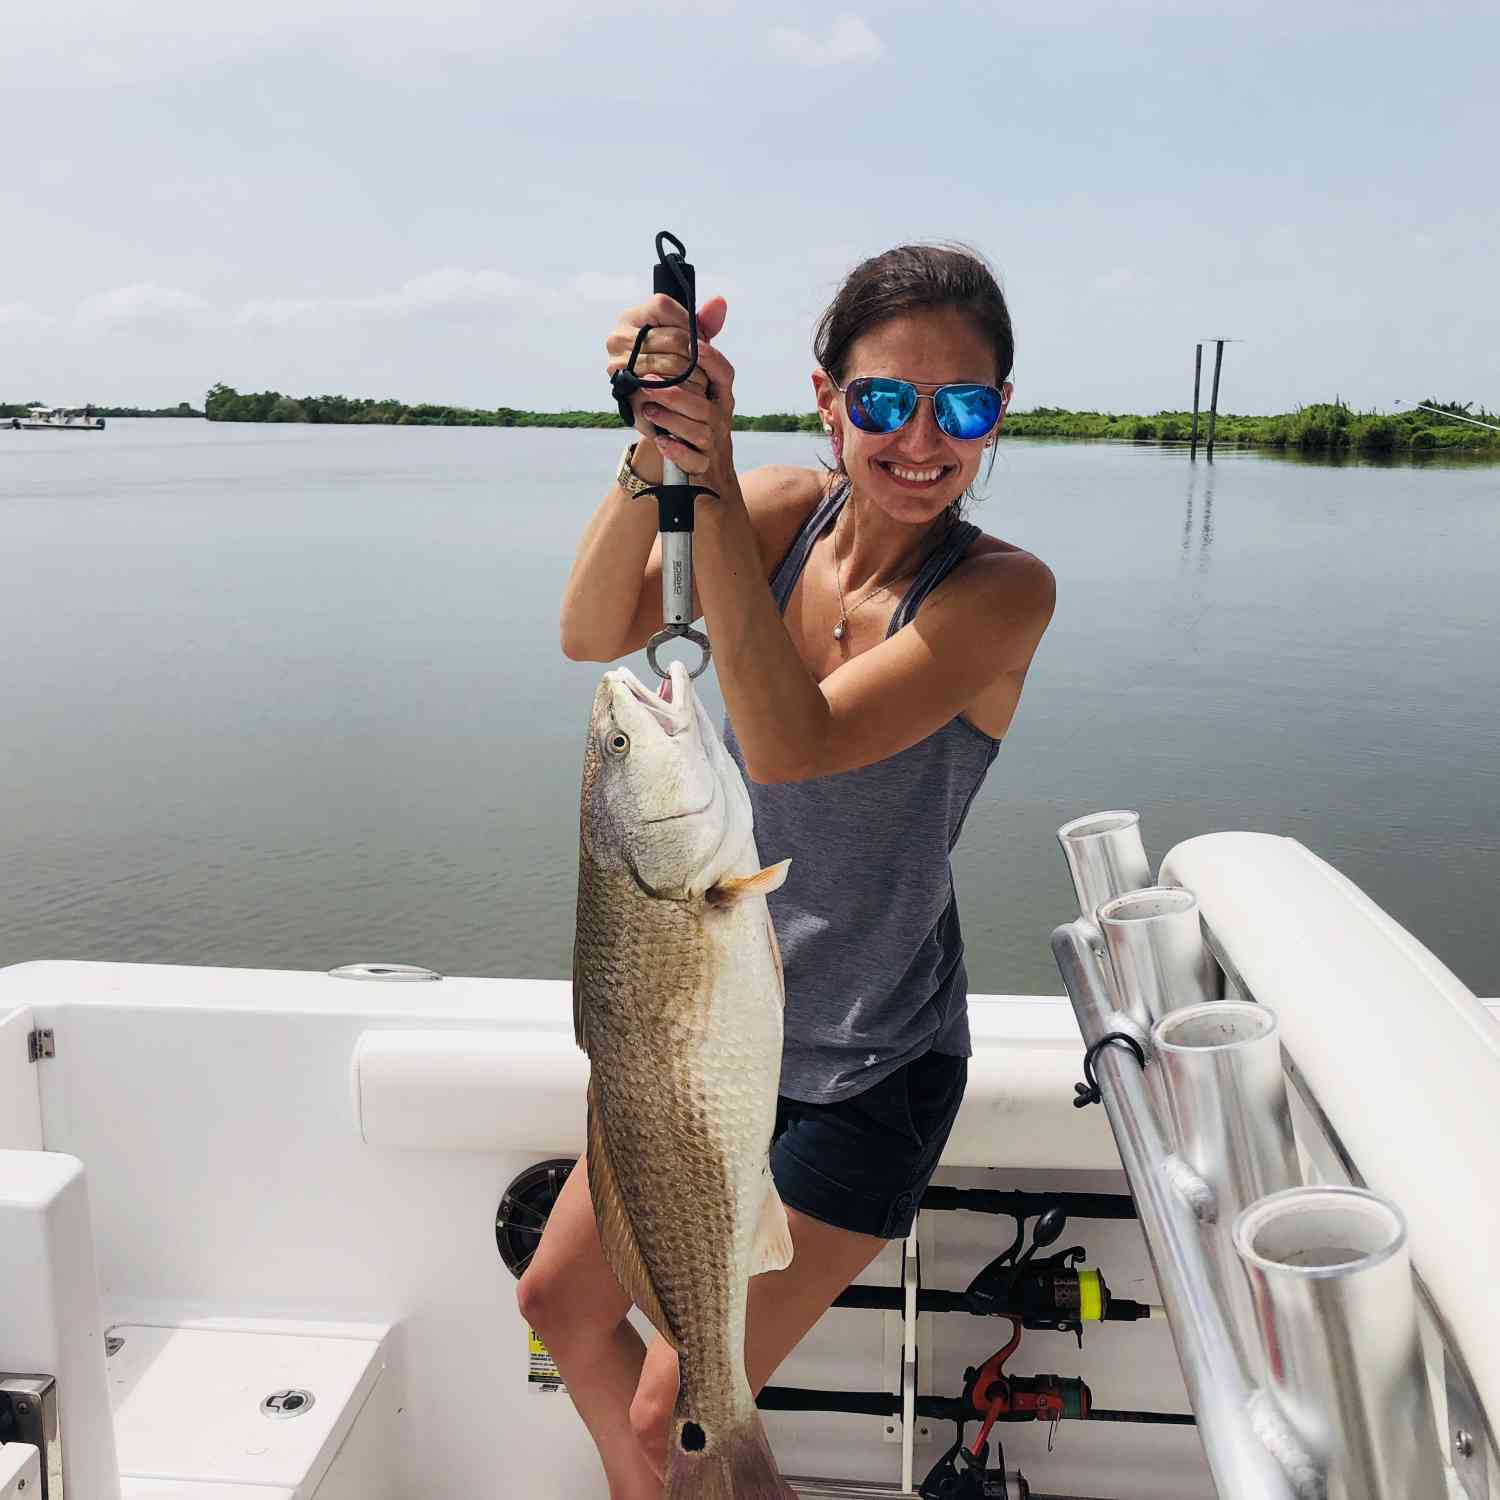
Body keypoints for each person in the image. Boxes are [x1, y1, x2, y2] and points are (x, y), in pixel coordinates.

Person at [522, 243, 1055, 1499]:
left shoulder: (997, 595)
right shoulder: (769, 511)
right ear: (826, 400)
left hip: (863, 1069)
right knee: (556, 1301)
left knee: (684, 1409)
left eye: (961, 407)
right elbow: (590, 631)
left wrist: (704, 486)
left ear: (998, 420)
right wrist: (662, 444)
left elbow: (793, 745)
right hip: (693, 1039)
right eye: (882, 401)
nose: (921, 438)